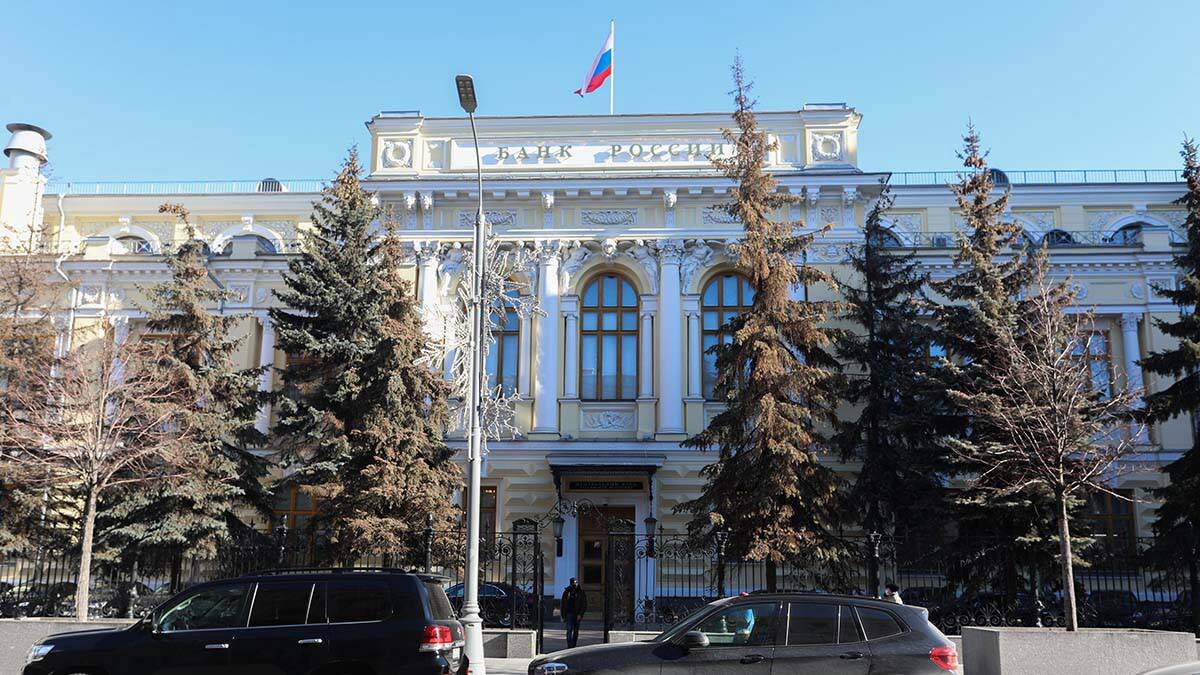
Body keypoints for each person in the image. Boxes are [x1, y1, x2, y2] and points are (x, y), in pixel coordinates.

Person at [560, 578, 588, 648]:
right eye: (573, 583)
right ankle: (570, 645)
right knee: (569, 630)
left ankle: (574, 644)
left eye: (575, 583)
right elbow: (563, 604)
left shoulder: (581, 592)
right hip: (569, 613)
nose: (574, 584)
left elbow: (584, 604)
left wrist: (580, 614)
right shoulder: (567, 592)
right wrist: (563, 616)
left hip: (577, 614)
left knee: (576, 630)